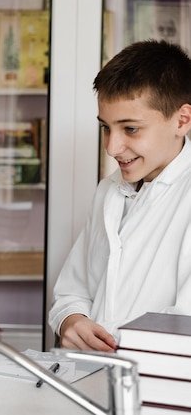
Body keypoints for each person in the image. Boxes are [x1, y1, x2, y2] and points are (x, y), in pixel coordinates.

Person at [48, 40, 191, 352]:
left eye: (130, 129)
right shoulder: (108, 191)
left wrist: (115, 342)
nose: (112, 148)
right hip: (94, 381)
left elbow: (185, 326)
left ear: (182, 120)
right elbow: (73, 289)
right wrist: (72, 321)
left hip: (163, 391)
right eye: (105, 128)